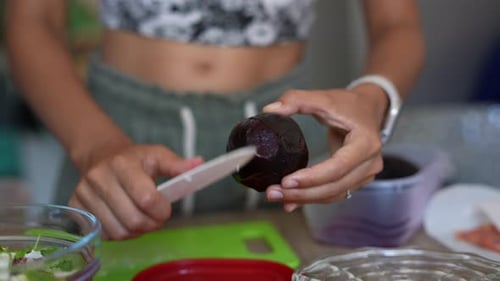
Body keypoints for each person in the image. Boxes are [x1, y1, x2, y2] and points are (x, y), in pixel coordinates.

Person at [5, 0, 425, 240]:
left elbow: (398, 23)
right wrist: (97, 145)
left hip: (280, 152)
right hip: (116, 139)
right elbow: (31, 20)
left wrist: (372, 99)